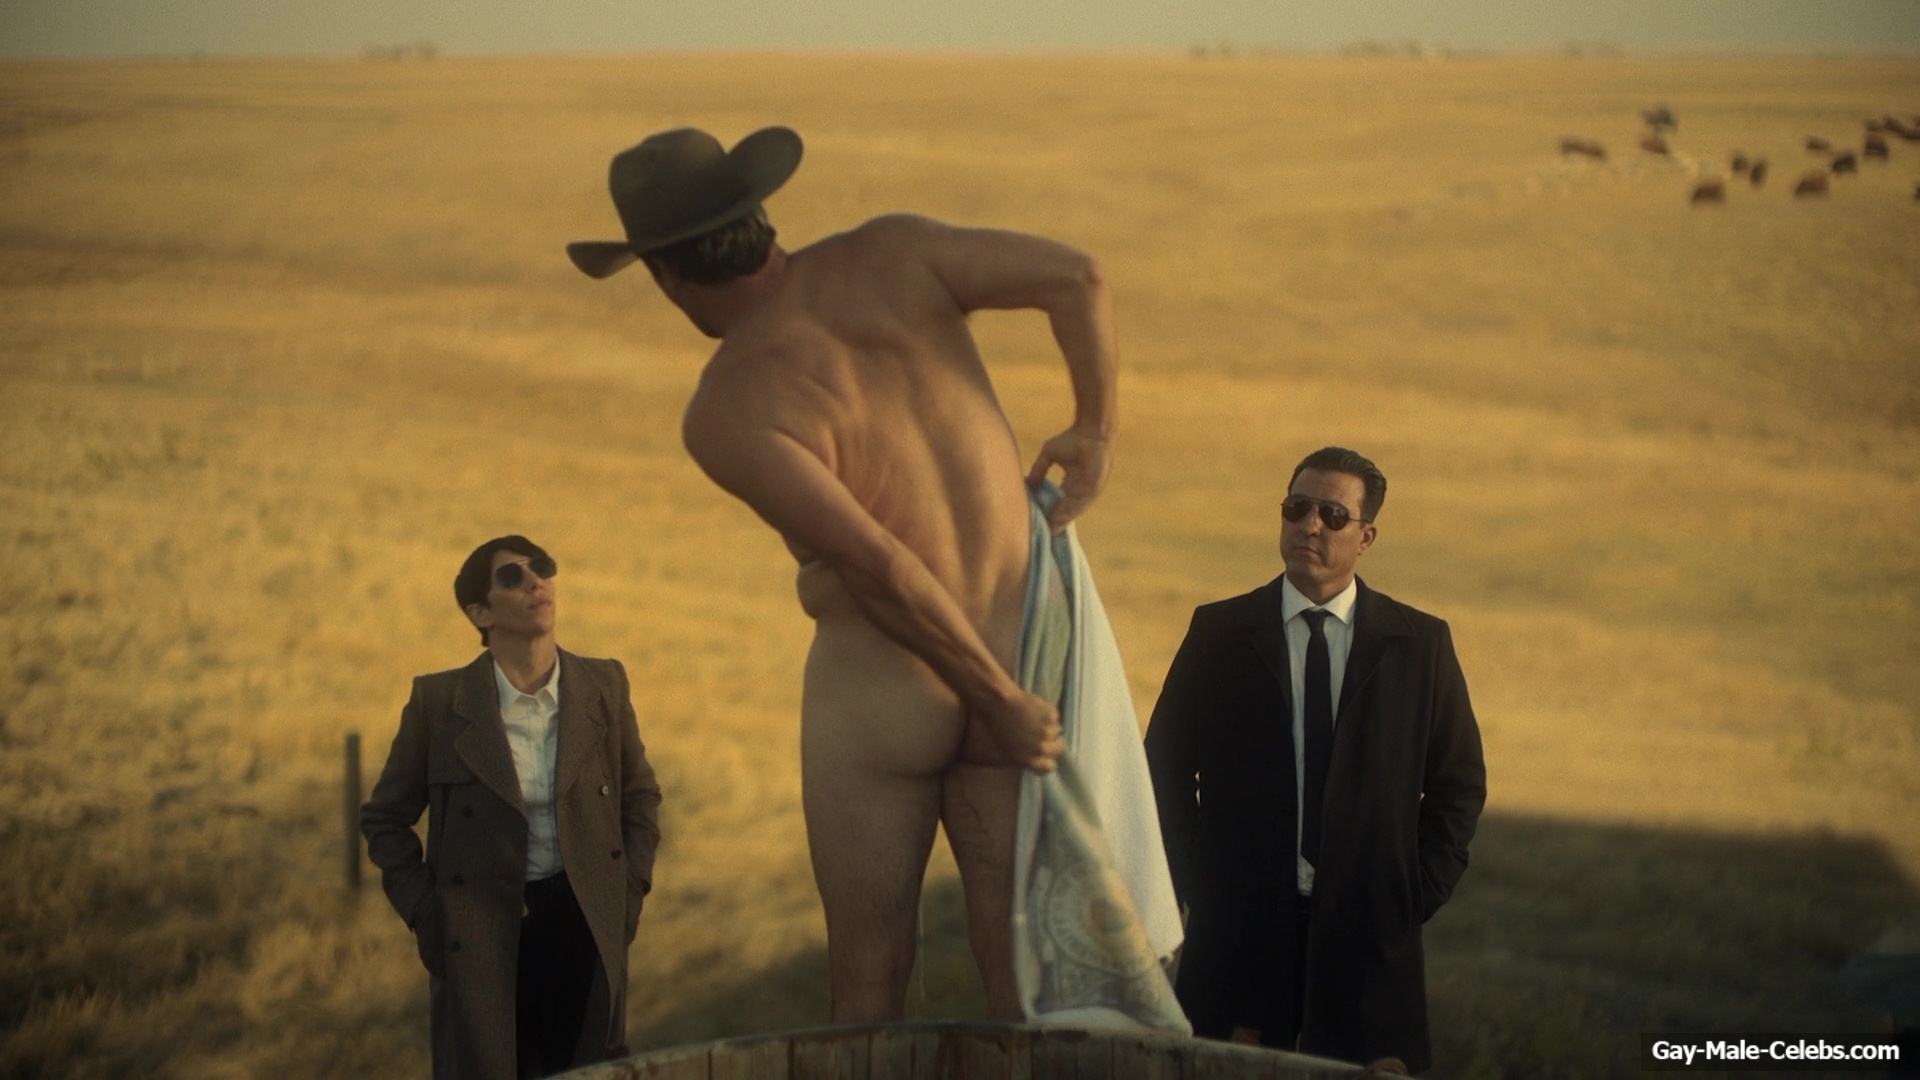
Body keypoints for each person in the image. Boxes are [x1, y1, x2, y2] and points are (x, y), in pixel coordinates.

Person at [566, 126, 1121, 1023]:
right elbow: (1081, 277)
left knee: (868, 981)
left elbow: (880, 565)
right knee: (1023, 975)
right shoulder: (895, 252)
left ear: (664, 275)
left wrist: (994, 703)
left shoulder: (728, 405)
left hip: (885, 687)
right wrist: (1093, 430)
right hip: (1014, 647)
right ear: (757, 213)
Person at [1143, 447, 1485, 1073]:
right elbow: (1162, 768)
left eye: (1333, 514)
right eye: (1297, 507)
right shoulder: (1219, 634)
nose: (1310, 525)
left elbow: (1458, 785)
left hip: (1370, 943)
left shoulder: (1419, 646)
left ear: (1366, 537)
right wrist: (1200, 884)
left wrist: (1408, 897)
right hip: (1239, 936)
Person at [361, 536, 663, 1080]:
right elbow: (384, 820)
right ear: (480, 613)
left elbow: (640, 796)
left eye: (541, 568)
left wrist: (627, 894)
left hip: (585, 925)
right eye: (511, 577)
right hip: (483, 938)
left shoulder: (603, 685)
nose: (536, 583)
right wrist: (432, 918)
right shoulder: (440, 703)